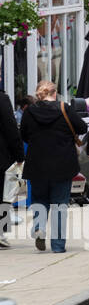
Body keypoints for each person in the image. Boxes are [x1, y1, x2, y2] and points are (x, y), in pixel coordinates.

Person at [21, 81, 81, 253]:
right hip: (62, 164)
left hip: (37, 164)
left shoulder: (30, 112)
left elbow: (23, 134)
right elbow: (81, 127)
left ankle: (39, 227)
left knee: (39, 199)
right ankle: (58, 246)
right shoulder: (65, 108)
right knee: (59, 204)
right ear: (54, 93)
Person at [0, 87, 22, 249]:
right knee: (4, 195)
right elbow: (11, 129)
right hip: (1, 158)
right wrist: (19, 155)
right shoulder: (2, 99)